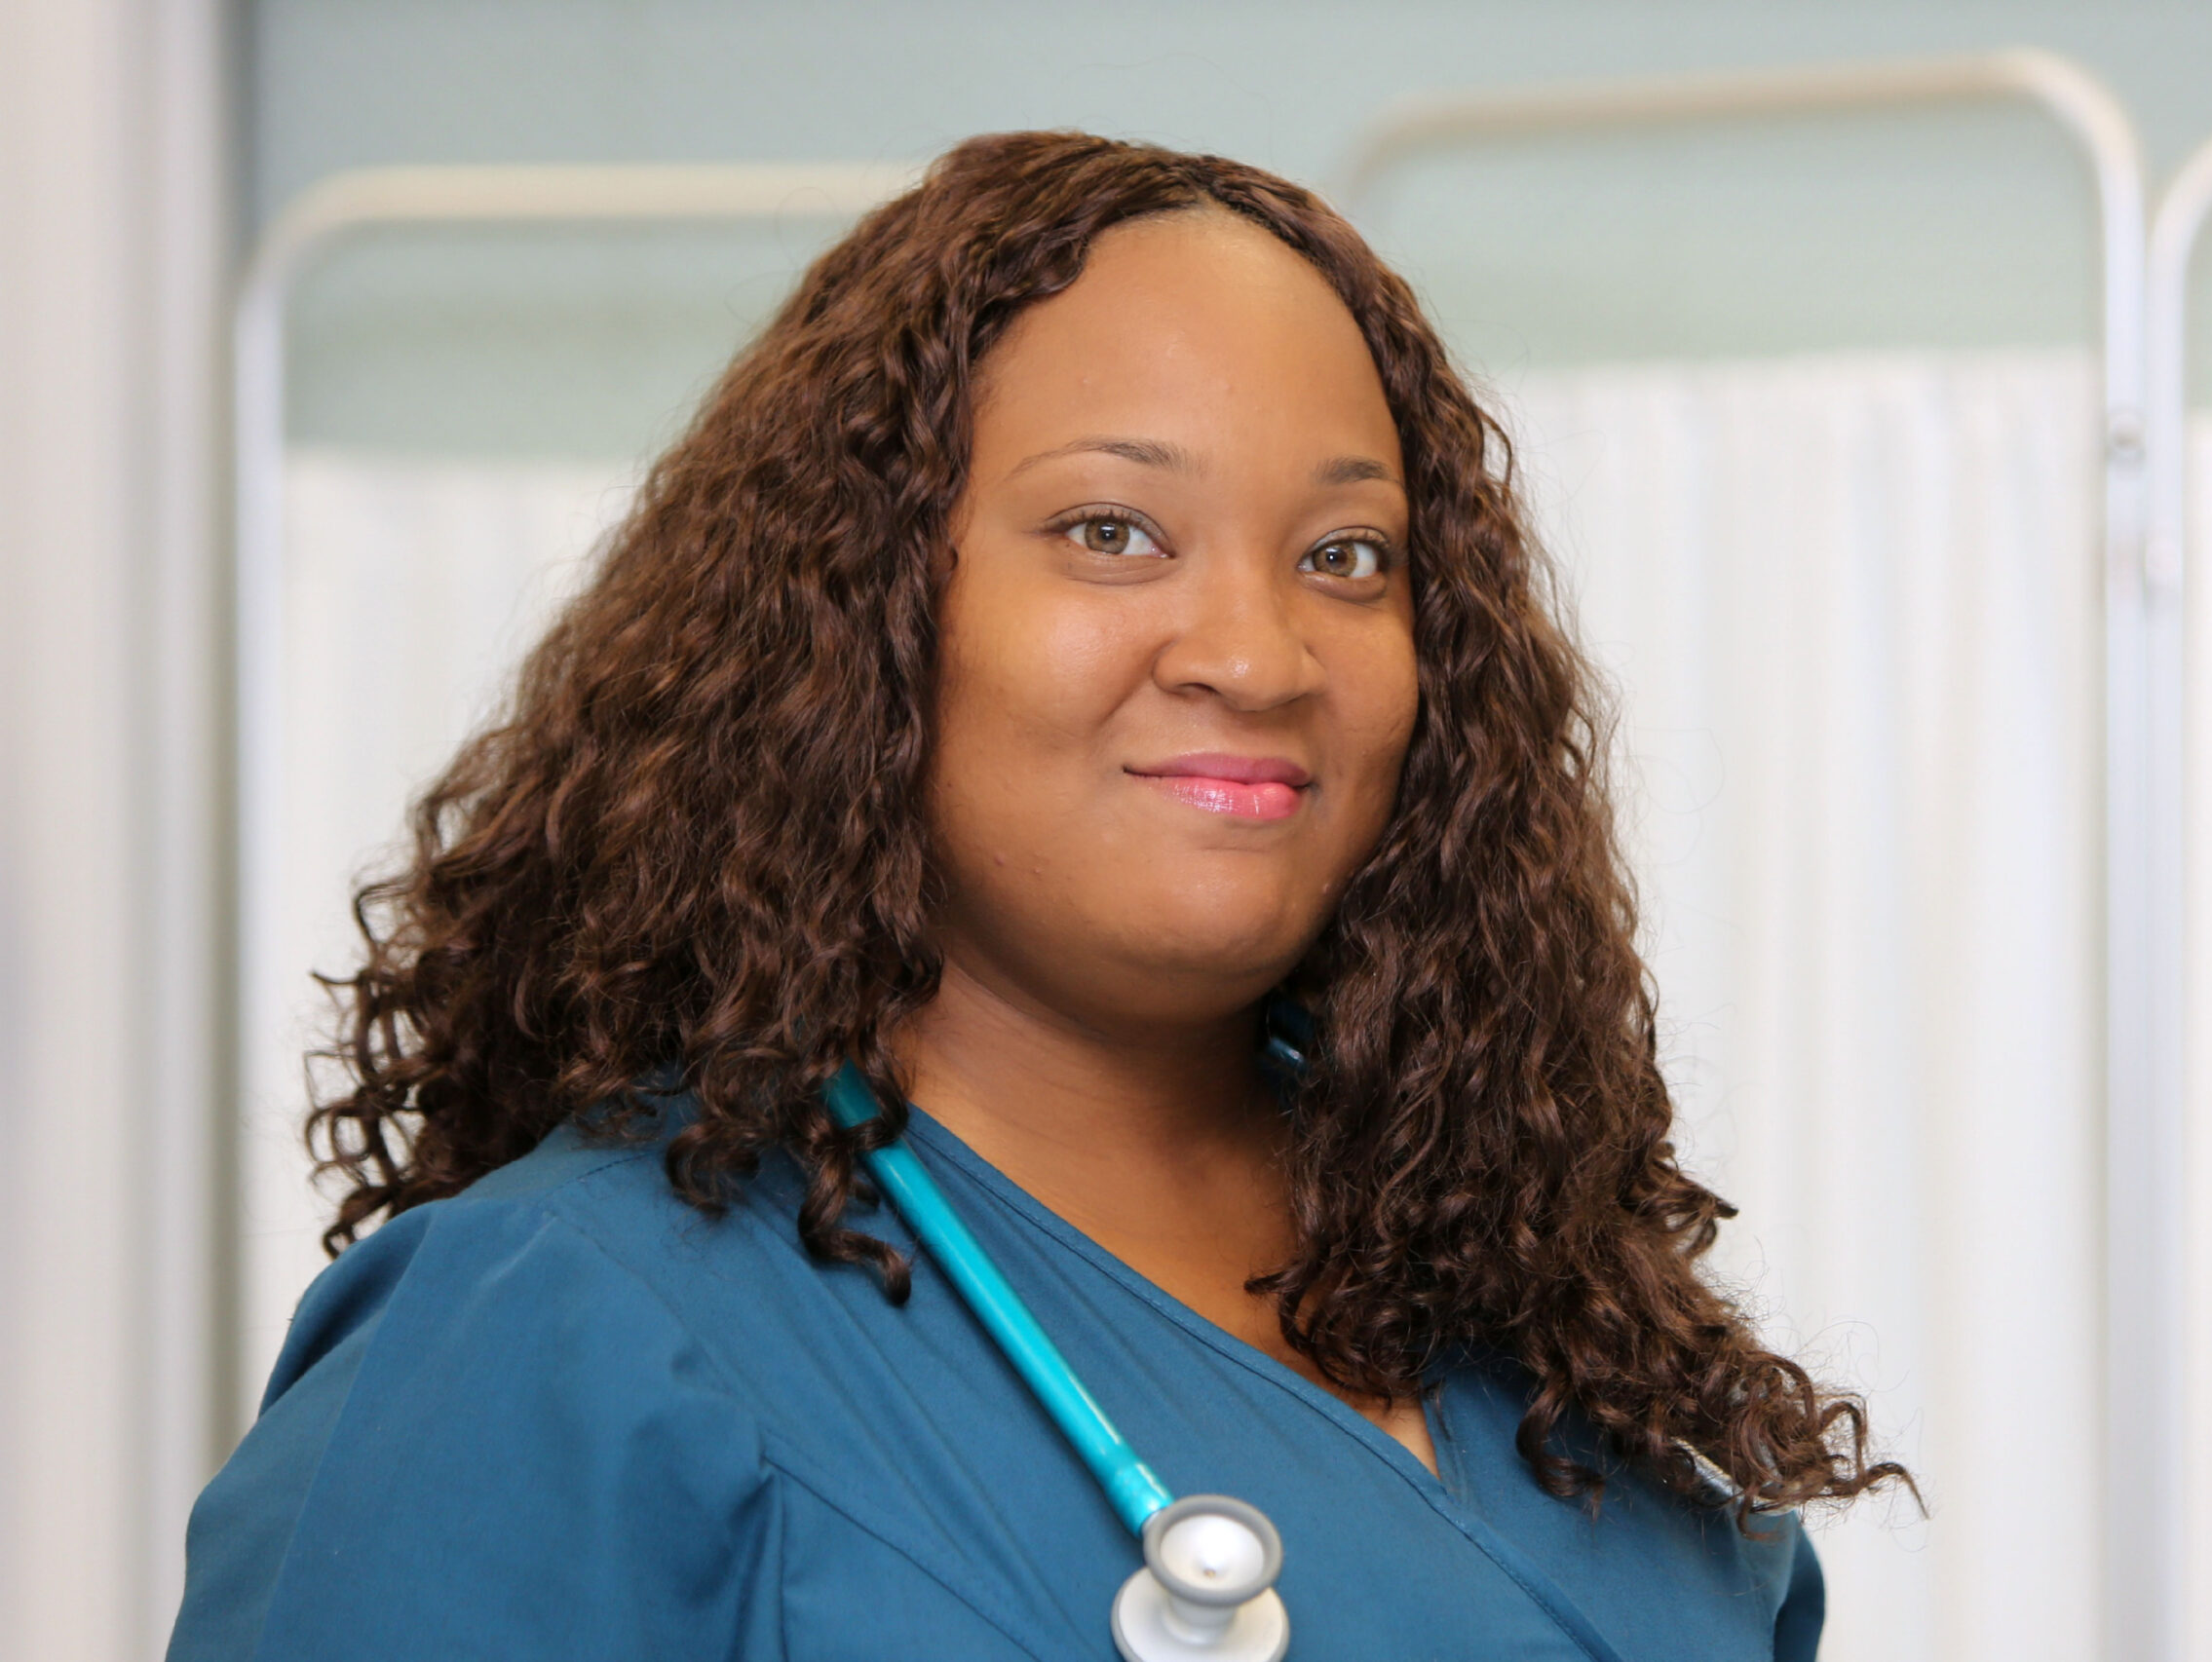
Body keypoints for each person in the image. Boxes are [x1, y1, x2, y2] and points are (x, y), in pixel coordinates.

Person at [170, 131, 1903, 1662]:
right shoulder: (561, 1342)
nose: (1255, 650)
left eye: (1347, 557)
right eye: (1111, 531)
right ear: (862, 621)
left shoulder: (1558, 1345)